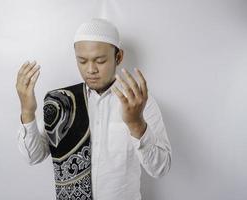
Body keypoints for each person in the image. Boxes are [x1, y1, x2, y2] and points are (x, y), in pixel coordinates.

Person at [15, 18, 172, 200]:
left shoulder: (140, 102)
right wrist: (27, 111)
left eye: (100, 60)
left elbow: (161, 168)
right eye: (82, 61)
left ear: (118, 57)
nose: (90, 69)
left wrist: (136, 124)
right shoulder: (61, 102)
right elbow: (33, 156)